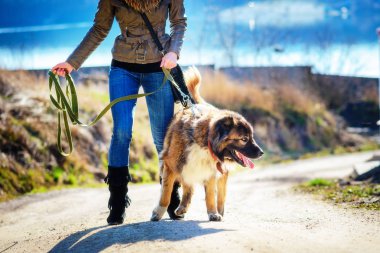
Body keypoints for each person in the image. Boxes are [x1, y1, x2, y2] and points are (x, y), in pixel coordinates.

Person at [52, 0, 187, 225]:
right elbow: (99, 28)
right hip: (123, 67)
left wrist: (173, 52)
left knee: (163, 136)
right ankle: (117, 199)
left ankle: (170, 193)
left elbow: (179, 23)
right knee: (122, 130)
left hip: (159, 66)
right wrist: (72, 63)